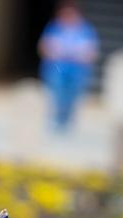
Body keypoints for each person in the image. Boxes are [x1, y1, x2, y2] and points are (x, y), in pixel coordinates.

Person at [38, 1, 99, 132]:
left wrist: (81, 55)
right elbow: (43, 46)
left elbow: (92, 51)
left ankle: (67, 121)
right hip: (57, 68)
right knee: (56, 94)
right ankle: (56, 120)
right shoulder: (54, 27)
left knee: (72, 95)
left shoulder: (86, 30)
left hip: (77, 69)